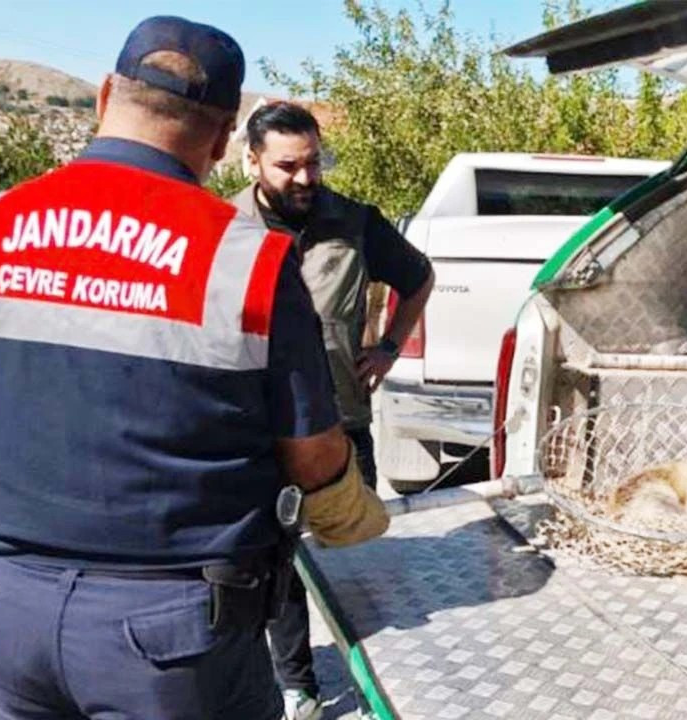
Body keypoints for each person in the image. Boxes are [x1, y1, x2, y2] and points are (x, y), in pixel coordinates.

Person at [0, 16, 388, 720]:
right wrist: (351, 515)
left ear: (106, 96)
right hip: (173, 631)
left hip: (11, 607)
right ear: (226, 137)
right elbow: (311, 450)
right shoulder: (250, 260)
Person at [233, 101, 433, 720]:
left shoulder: (354, 220)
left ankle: (378, 677)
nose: (303, 178)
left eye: (313, 163)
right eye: (288, 166)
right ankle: (298, 687)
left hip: (341, 420)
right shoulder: (224, 227)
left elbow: (419, 277)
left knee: (356, 553)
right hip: (258, 426)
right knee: (276, 564)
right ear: (252, 161)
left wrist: (390, 347)